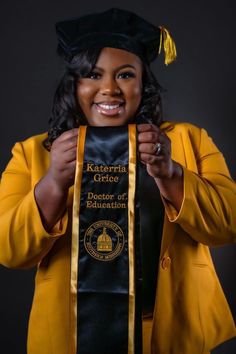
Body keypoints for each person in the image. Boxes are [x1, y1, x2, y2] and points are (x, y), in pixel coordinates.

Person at [0, 7, 235, 354]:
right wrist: (52, 183)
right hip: (71, 336)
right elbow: (9, 250)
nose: (109, 89)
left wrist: (171, 173)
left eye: (125, 75)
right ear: (74, 84)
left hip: (173, 334)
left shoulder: (188, 141)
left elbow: (227, 225)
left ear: (143, 84)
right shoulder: (33, 153)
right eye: (93, 75)